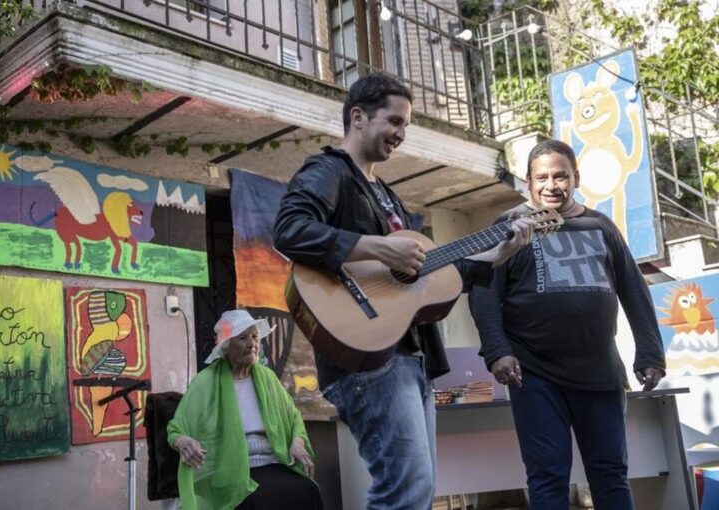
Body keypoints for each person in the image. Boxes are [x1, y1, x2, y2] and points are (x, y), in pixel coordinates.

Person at [273, 73, 533, 509]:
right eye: (393, 121)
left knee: (417, 493)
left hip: (409, 357)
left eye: (405, 125)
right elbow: (289, 230)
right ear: (358, 117)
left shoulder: (388, 196)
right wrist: (379, 248)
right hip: (368, 357)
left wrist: (500, 252)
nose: (400, 134)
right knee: (405, 492)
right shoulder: (329, 170)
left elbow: (431, 275)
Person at [468, 139, 667, 510]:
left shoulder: (601, 225)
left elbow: (634, 290)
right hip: (534, 373)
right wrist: (498, 352)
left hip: (600, 371)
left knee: (610, 474)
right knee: (547, 476)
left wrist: (650, 353)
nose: (551, 185)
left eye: (561, 176)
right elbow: (482, 291)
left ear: (576, 177)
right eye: (542, 177)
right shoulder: (510, 225)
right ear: (528, 181)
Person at [167, 309, 322, 510]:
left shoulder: (267, 378)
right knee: (254, 499)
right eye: (243, 338)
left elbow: (293, 418)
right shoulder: (205, 382)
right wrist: (183, 441)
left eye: (255, 337)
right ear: (226, 346)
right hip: (229, 468)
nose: (252, 344)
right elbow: (176, 429)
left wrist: (297, 442)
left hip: (272, 461)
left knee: (308, 489)